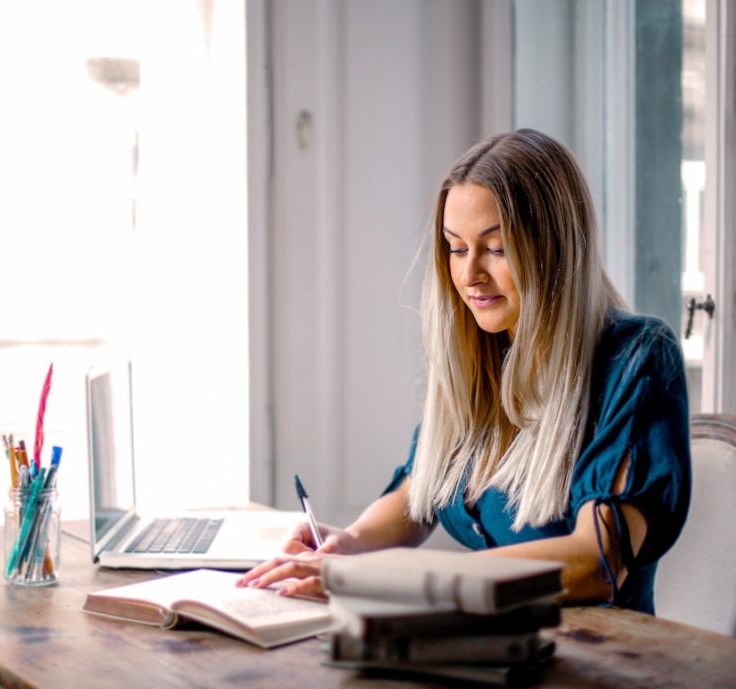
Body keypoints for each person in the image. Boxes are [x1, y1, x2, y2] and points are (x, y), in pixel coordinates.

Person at [239, 128, 691, 614]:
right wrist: (350, 543)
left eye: (496, 249)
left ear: (558, 250)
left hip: (598, 660)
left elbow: (595, 562)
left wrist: (387, 578)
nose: (469, 275)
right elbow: (421, 492)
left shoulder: (636, 360)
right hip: (483, 646)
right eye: (456, 248)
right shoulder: (482, 352)